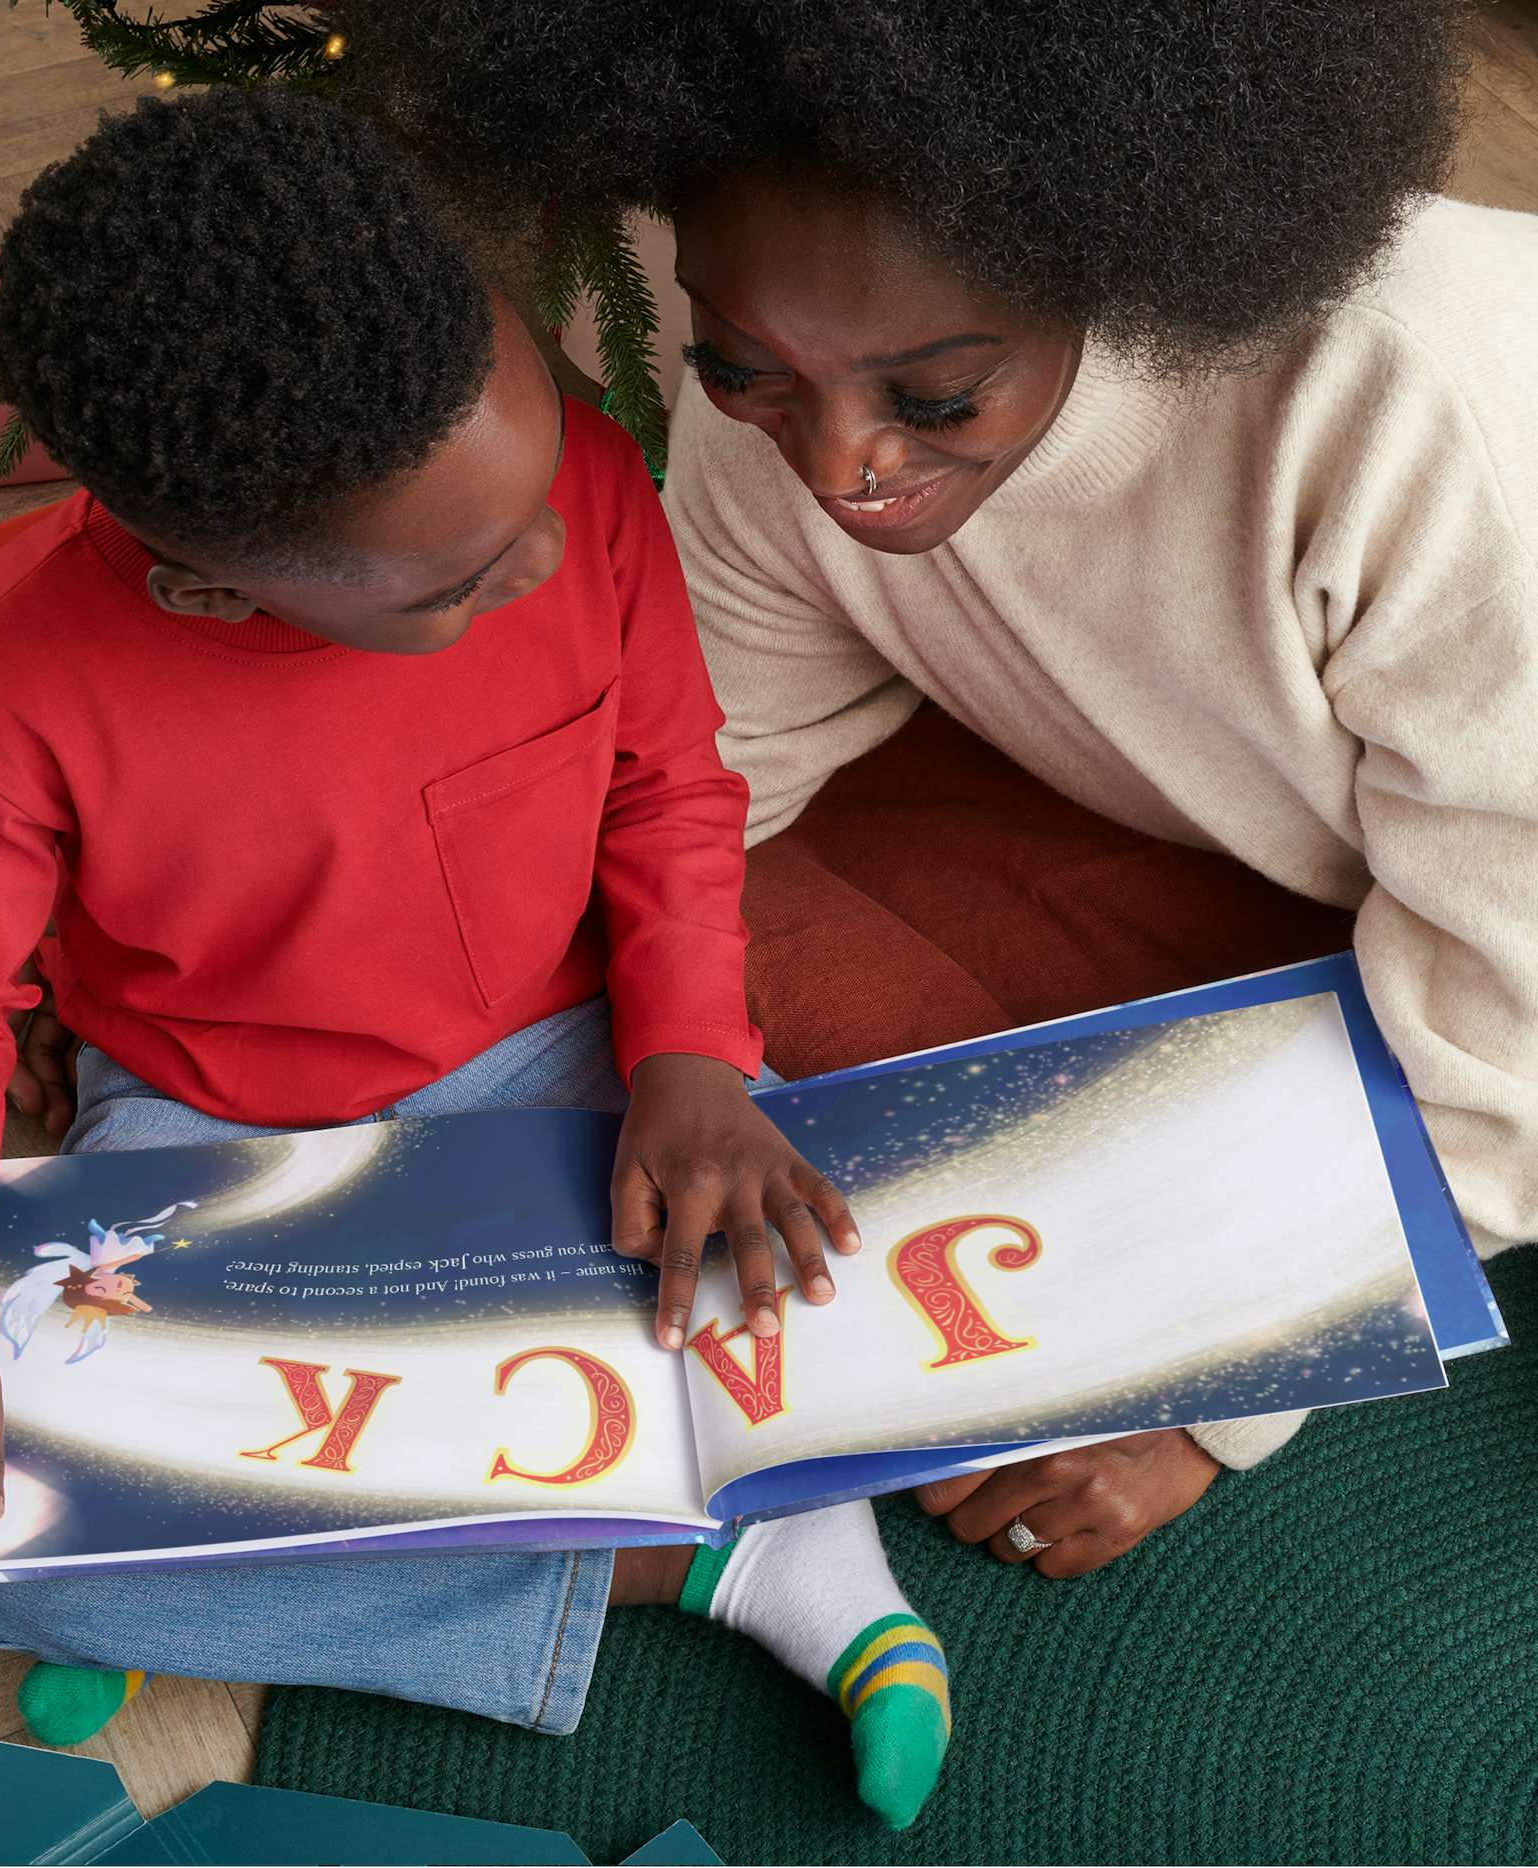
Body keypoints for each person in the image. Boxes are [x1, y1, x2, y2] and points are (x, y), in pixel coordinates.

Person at [0, 87, 953, 1832]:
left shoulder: (567, 471)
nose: (558, 549)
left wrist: (692, 1060)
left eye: (548, 468)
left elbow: (668, 794)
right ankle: (703, 1563)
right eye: (464, 585)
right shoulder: (2, 687)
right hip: (201, 1125)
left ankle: (756, 1546)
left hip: (561, 1050)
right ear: (204, 583)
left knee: (796, 1274)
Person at [325, 0, 1535, 1570]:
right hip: (1293, 831)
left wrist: (1208, 1398)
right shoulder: (771, 415)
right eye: (750, 370)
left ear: (1115, 266)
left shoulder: (1416, 428)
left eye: (936, 398)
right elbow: (695, 779)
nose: (839, 468)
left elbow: (1512, 1010)